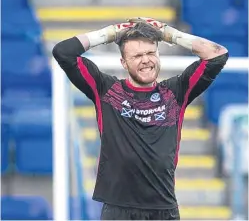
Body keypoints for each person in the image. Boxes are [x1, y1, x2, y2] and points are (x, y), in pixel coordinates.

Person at [52, 17, 228, 220]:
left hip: (164, 210)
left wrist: (169, 34)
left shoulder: (176, 92)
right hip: (118, 210)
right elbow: (63, 52)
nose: (146, 60)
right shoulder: (106, 90)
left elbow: (217, 55)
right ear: (123, 63)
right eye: (137, 56)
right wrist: (110, 33)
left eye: (151, 53)